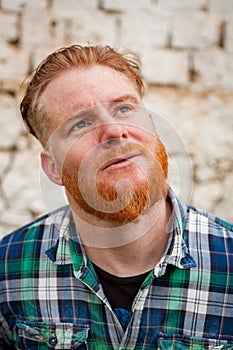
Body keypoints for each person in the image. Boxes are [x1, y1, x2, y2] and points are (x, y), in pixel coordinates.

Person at [0, 44, 232, 349]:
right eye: (81, 124)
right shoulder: (7, 274)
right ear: (53, 168)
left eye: (124, 108)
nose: (113, 130)